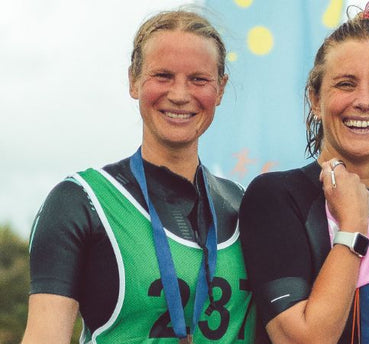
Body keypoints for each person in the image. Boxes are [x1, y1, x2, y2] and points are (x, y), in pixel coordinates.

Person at [23, 9, 254, 343]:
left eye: (198, 79)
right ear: (133, 80)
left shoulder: (243, 204)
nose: (179, 94)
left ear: (220, 88)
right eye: (162, 75)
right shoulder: (82, 201)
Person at [236, 4, 369, 343]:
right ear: (315, 98)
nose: (363, 101)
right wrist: (353, 226)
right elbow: (304, 339)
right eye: (346, 83)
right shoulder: (276, 196)